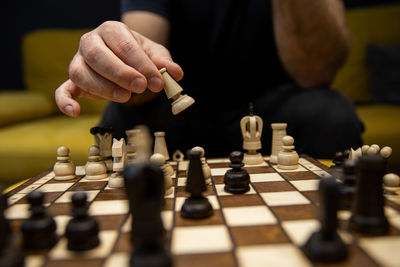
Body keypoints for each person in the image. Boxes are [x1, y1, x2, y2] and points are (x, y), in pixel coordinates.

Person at [55, 0, 364, 158]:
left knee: (330, 113)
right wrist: (115, 58)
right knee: (121, 116)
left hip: (273, 111)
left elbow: (317, 71)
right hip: (177, 118)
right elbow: (141, 75)